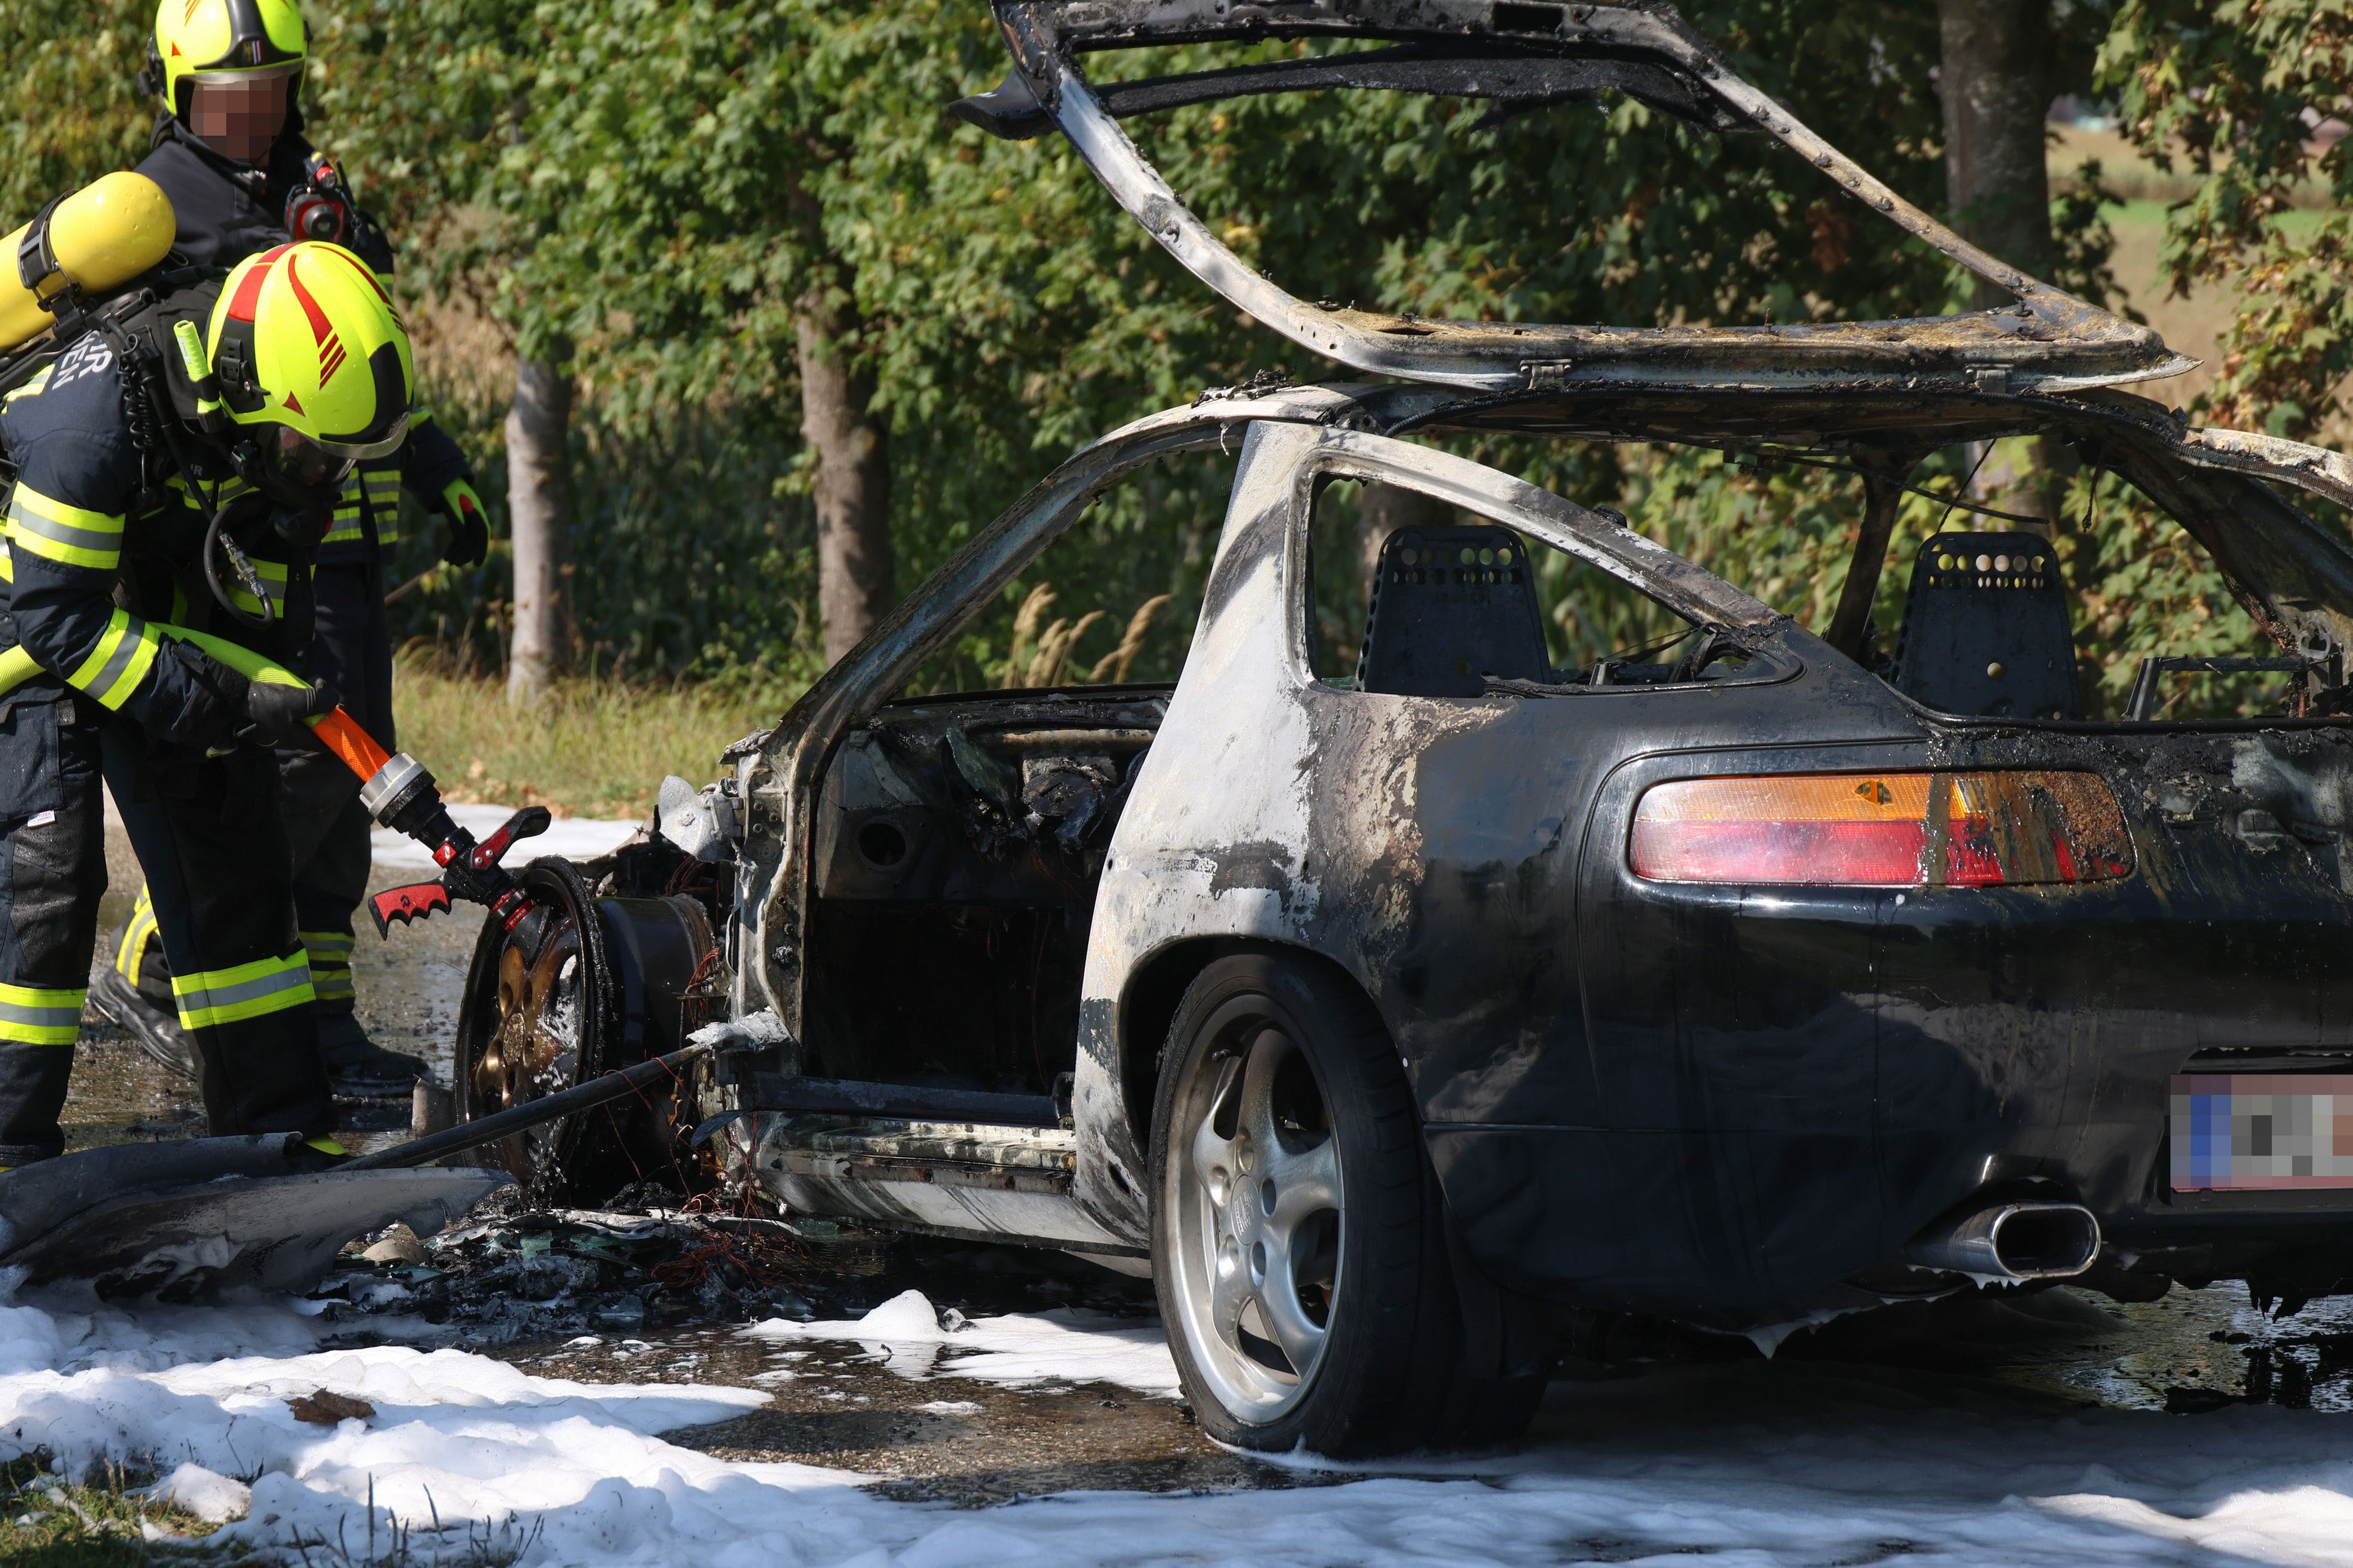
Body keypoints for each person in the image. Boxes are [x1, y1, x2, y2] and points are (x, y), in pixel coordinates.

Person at [91, 0, 491, 1096]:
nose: (251, 113)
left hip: (341, 533)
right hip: (243, 539)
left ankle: (325, 1014)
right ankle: (164, 963)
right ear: (179, 94)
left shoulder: (315, 189)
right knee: (302, 762)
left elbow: (364, 343)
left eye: (269, 91)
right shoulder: (151, 208)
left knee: (351, 783)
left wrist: (438, 468)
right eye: (227, 95)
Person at [0, 239, 412, 1169]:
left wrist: (251, 697)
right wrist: (210, 696)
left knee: (237, 854)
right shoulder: (93, 419)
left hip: (135, 596)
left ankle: (278, 1135)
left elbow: (254, 604)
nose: (327, 478)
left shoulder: (268, 432)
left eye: (343, 460)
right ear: (252, 392)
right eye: (317, 453)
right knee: (45, 877)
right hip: (27, 605)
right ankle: (9, 1160)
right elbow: (59, 621)